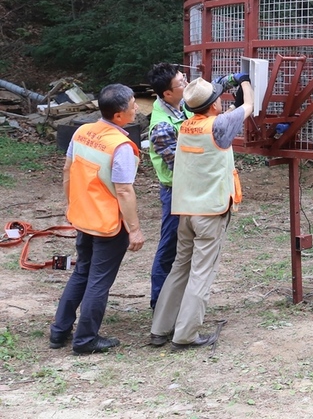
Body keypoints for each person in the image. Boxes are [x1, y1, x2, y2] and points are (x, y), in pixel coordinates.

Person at [149, 74, 253, 349]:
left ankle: (160, 328)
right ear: (215, 105)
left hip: (186, 211)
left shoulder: (185, 125)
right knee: (201, 274)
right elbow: (249, 106)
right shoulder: (219, 125)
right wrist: (245, 82)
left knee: (179, 268)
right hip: (211, 211)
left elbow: (226, 116)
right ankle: (186, 335)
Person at [49, 84, 145, 355]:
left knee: (82, 272)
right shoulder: (121, 146)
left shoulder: (81, 132)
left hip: (83, 217)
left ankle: (59, 331)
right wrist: (134, 230)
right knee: (99, 280)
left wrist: (71, 206)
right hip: (108, 225)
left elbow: (68, 170)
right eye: (133, 104)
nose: (136, 108)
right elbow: (124, 190)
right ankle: (85, 339)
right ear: (118, 115)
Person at [146, 63, 189, 309]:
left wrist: (234, 80)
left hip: (186, 189)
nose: (186, 84)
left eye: (184, 79)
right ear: (167, 94)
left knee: (184, 247)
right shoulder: (162, 126)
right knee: (169, 248)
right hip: (175, 192)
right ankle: (159, 304)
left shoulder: (180, 106)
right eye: (181, 83)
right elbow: (179, 165)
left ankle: (176, 302)